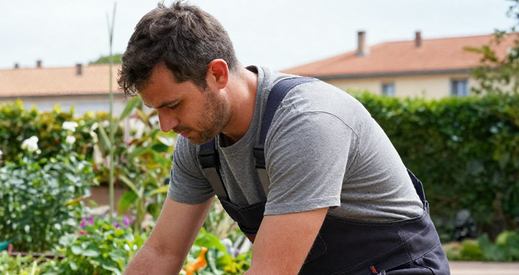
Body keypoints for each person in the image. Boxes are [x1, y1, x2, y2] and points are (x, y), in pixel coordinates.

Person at [118, 1, 450, 274]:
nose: (165, 125)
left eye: (173, 105)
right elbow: (162, 253)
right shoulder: (199, 145)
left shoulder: (306, 123)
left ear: (217, 74)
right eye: (156, 110)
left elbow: (271, 272)